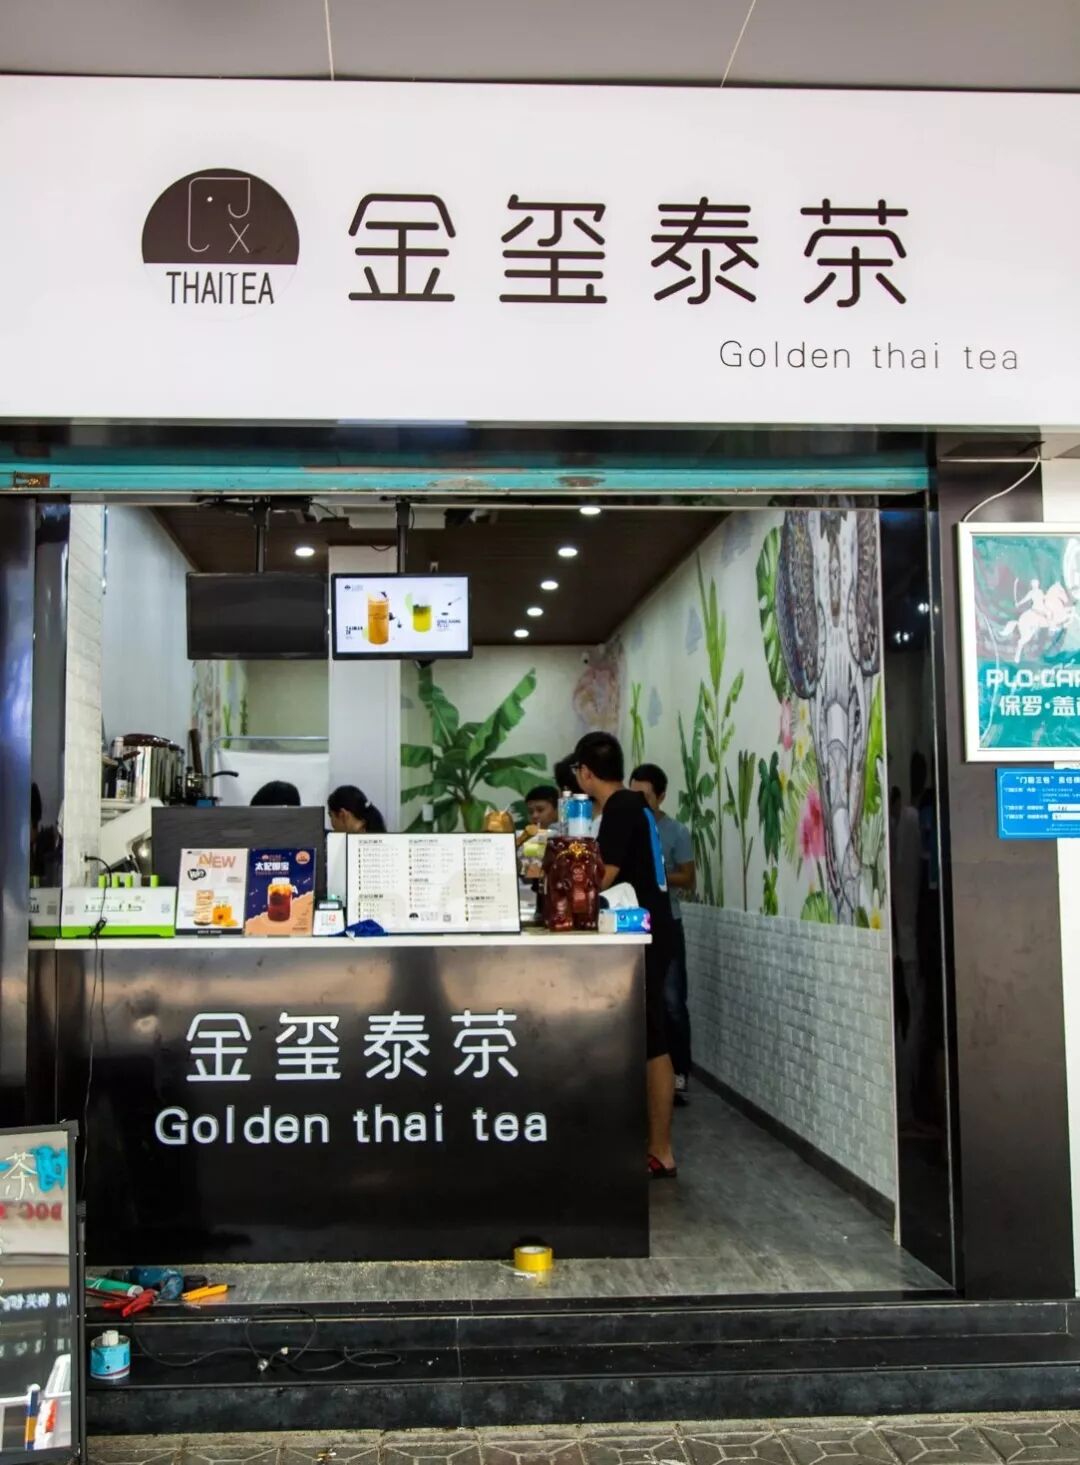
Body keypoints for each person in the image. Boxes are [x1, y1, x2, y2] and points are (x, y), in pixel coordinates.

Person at [572, 731, 677, 1180]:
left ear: (585, 772)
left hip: (643, 935)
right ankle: (650, 1143)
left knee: (652, 1039)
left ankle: (660, 1150)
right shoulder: (634, 805)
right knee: (646, 1035)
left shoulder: (619, 808)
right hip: (652, 929)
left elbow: (602, 877)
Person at [629, 763, 696, 1104]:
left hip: (668, 922)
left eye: (645, 796)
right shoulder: (625, 827)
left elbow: (689, 878)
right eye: (633, 795)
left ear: (662, 796)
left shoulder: (676, 832)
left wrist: (655, 876)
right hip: (632, 926)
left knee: (671, 1002)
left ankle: (679, 1074)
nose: (638, 803)